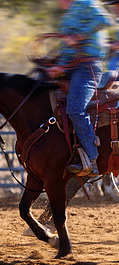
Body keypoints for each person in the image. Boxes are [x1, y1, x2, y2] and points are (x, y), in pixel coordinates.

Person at [47, 0, 113, 176]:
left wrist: (78, 36)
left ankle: (92, 158)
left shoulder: (86, 3)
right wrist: (59, 67)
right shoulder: (66, 16)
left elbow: (105, 20)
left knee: (75, 108)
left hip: (88, 67)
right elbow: (67, 49)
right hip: (71, 68)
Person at [106, 0, 119, 72]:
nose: (116, 8)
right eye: (115, 6)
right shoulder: (115, 23)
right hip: (113, 64)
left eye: (118, 6)